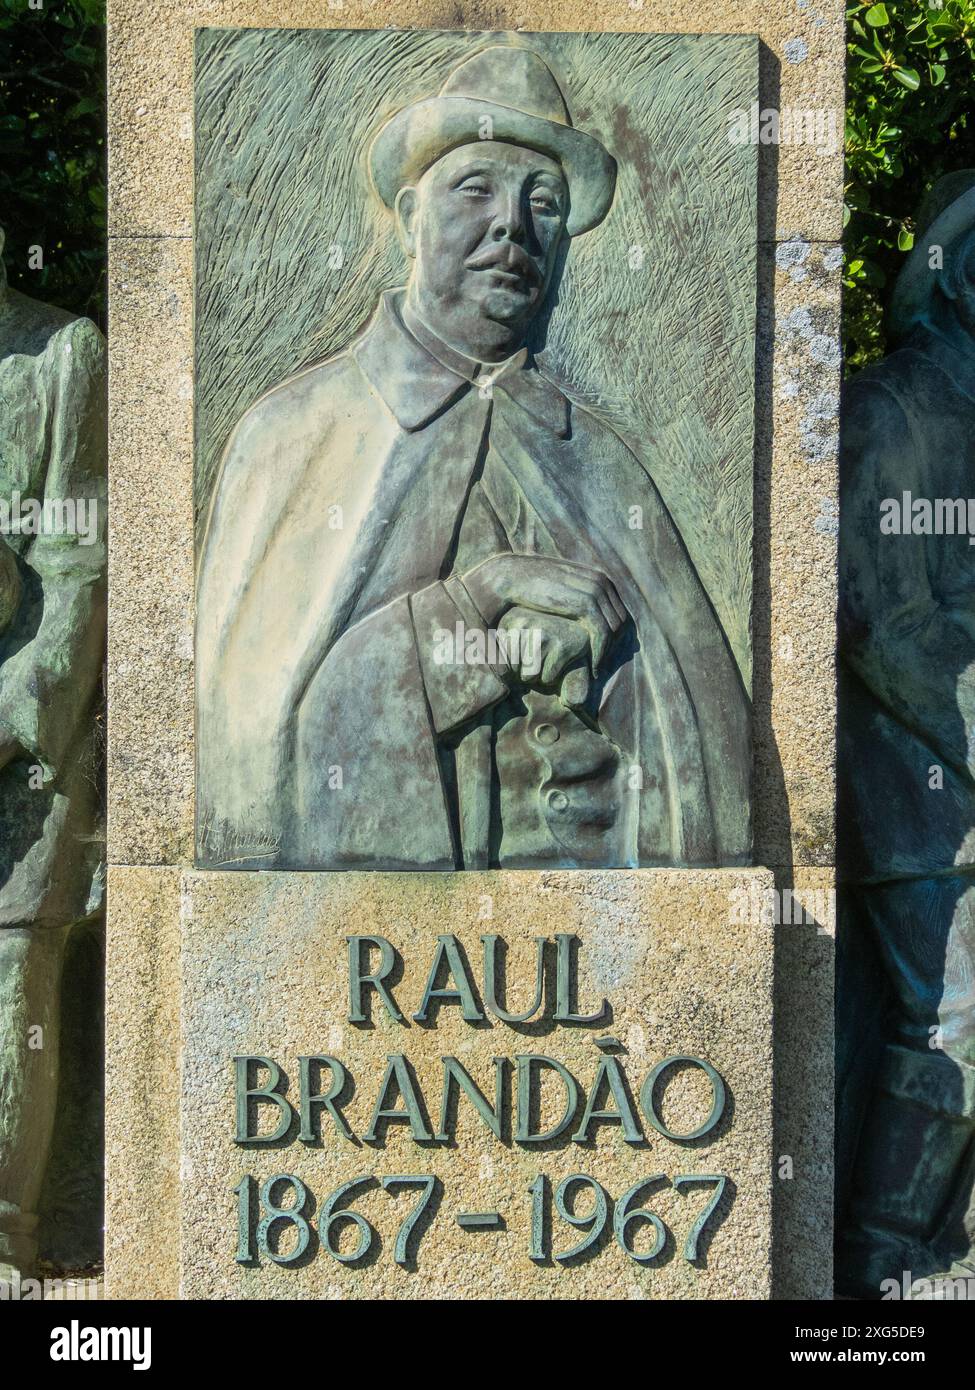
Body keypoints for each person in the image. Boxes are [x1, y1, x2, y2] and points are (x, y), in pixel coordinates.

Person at [197, 44, 750, 872]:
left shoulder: (600, 459)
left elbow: (707, 742)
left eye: (544, 204)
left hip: (604, 934)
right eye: (476, 189)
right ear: (411, 217)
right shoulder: (294, 435)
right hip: (368, 942)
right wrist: (477, 609)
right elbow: (247, 742)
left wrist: (605, 665)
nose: (513, 227)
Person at [838, 172, 975, 1296]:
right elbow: (884, 628)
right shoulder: (894, 409)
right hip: (920, 783)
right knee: (957, 1020)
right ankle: (881, 1258)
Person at [0, 233, 106, 1281]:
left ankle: (5, 1238)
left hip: (21, 752)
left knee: (8, 971)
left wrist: (13, 713)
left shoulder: (60, 356)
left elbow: (77, 564)